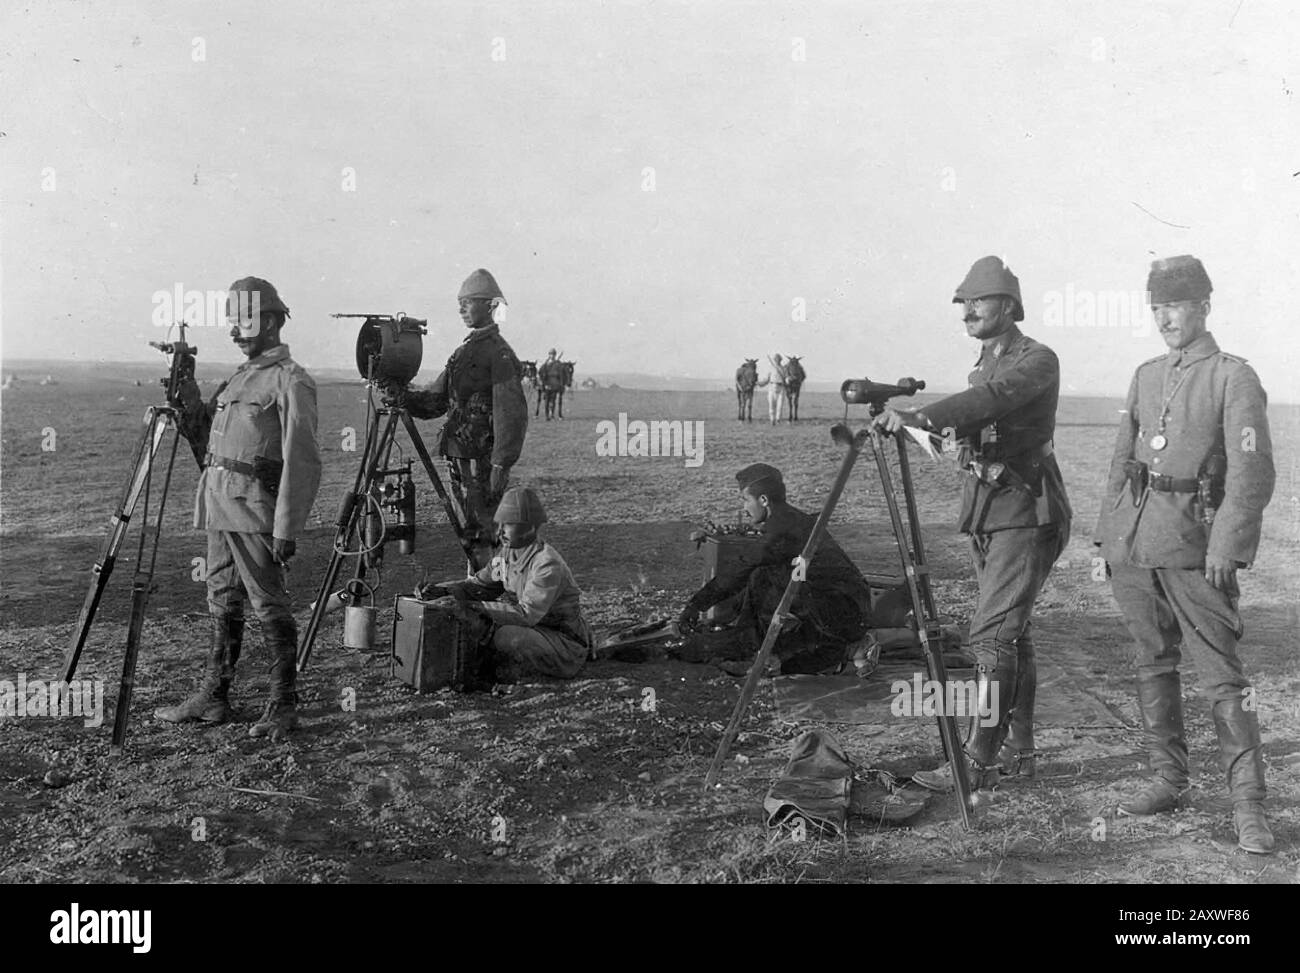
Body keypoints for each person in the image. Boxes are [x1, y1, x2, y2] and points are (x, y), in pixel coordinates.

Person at [1094, 255, 1275, 854]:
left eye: (1174, 305)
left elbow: (1251, 473)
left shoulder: (1232, 376)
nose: (1164, 318)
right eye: (1155, 307)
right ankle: (1169, 779)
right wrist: (1109, 539)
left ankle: (1249, 806)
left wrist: (1228, 544)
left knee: (1223, 677)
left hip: (1197, 546)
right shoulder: (1146, 375)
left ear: (1203, 306)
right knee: (1152, 662)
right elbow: (1123, 463)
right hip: (1138, 545)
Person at [875, 256, 1071, 794]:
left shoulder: (1036, 360)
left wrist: (926, 415)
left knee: (991, 638)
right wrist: (930, 435)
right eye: (963, 303)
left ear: (1008, 305)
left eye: (978, 301)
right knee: (1013, 633)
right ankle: (1019, 752)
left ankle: (977, 763)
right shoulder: (981, 365)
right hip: (988, 510)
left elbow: (995, 399)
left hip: (1026, 511)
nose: (967, 311)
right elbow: (979, 415)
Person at [157, 277, 322, 739]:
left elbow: (303, 461)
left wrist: (287, 527)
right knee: (222, 598)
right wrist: (187, 394)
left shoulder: (291, 381)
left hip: (254, 509)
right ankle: (215, 696)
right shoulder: (239, 378)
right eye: (231, 322)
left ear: (270, 322)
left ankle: (283, 706)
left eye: (243, 322)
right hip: (219, 505)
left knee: (268, 602)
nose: (233, 332)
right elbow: (207, 439)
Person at [677, 464, 873, 674]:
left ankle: (755, 651)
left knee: (760, 577)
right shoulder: (789, 519)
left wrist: (695, 606)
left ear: (763, 500)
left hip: (844, 614)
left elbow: (740, 570)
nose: (744, 508)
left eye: (745, 500)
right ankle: (778, 650)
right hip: (846, 607)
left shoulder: (781, 529)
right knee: (766, 578)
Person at [404, 269, 528, 566]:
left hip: (481, 457)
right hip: (459, 453)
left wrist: (501, 463)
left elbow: (511, 414)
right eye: (460, 302)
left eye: (468, 302)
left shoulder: (499, 354)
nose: (461, 308)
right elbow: (435, 401)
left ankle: (489, 584)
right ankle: (481, 580)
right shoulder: (463, 352)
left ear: (490, 306)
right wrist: (403, 395)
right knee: (467, 527)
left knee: (482, 528)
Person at [419, 486, 592, 682]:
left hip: (564, 644)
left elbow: (525, 615)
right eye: (499, 524)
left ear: (531, 527)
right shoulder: (507, 554)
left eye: (508, 525)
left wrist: (470, 606)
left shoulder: (546, 564)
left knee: (505, 637)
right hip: (538, 632)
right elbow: (479, 586)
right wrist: (443, 590)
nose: (500, 532)